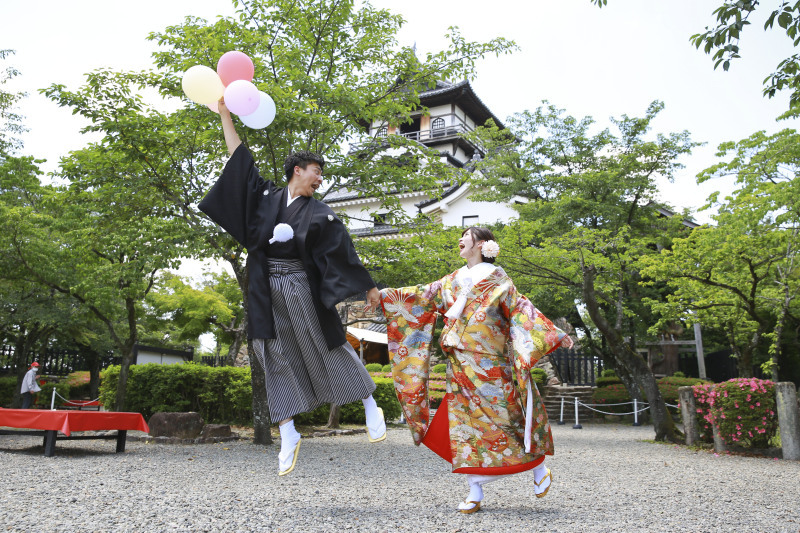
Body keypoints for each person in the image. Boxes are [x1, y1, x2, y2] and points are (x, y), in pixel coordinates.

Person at [199, 101, 386, 476]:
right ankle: (288, 431)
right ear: (297, 171)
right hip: (264, 288)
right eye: (316, 171)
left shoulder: (321, 212)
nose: (320, 179)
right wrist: (224, 113)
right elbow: (239, 158)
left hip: (299, 285)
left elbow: (342, 252)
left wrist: (368, 287)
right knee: (271, 353)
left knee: (323, 343)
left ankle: (369, 405)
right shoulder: (266, 198)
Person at [379, 227, 573, 513]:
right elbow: (421, 296)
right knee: (464, 426)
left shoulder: (501, 283)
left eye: (466, 235)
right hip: (459, 364)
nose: (460, 239)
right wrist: (385, 295)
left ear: (482, 244)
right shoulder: (452, 281)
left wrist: (553, 332)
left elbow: (523, 311)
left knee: (507, 418)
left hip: (491, 362)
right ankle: (474, 490)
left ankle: (538, 468)